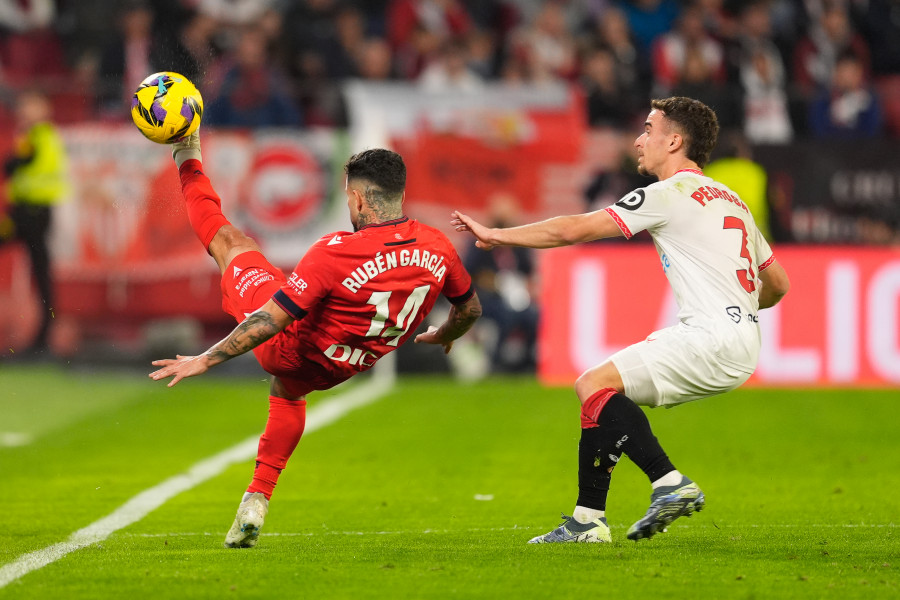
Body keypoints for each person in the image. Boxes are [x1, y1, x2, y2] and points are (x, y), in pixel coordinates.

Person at [452, 96, 790, 544]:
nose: (638, 140)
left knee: (592, 385)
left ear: (674, 140)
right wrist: (738, 307)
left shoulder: (669, 193)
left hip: (709, 335)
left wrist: (497, 234)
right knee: (599, 390)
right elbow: (779, 285)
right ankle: (587, 520)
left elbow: (572, 229)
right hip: (743, 340)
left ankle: (667, 482)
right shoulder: (733, 201)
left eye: (649, 129)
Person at [149, 135, 482, 548]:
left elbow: (268, 322)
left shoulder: (336, 252)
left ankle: (186, 152)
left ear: (359, 200)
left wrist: (207, 358)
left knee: (232, 244)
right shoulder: (440, 247)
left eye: (347, 199)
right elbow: (469, 311)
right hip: (344, 365)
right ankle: (256, 497)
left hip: (288, 348)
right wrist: (444, 335)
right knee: (289, 390)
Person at [2, 90, 69, 355]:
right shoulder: (33, 136)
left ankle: (45, 334)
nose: (24, 110)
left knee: (41, 271)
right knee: (41, 271)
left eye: (30, 105)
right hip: (22, 213)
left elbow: (17, 163)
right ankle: (44, 333)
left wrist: (12, 162)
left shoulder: (40, 135)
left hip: (34, 213)